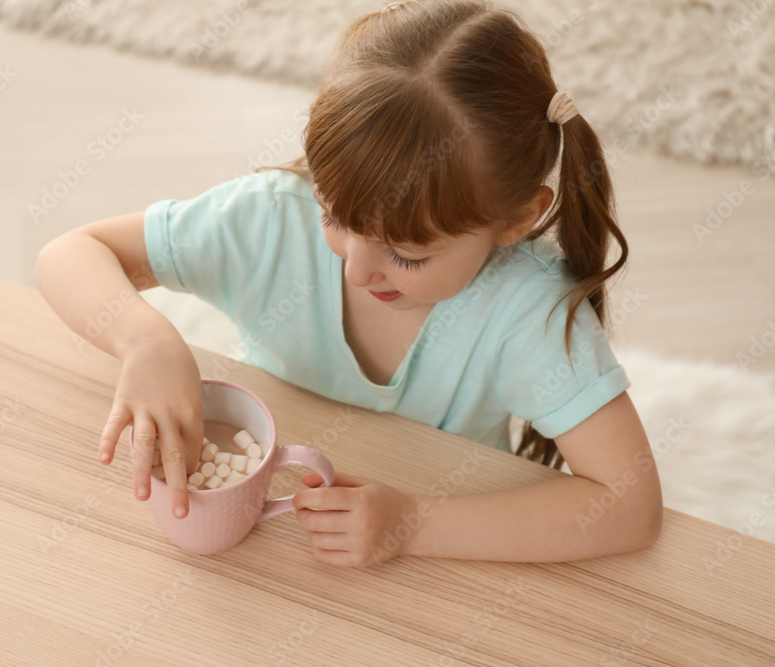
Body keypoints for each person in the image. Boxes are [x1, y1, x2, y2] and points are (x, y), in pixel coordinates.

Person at [35, 0, 662, 567]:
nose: (355, 271)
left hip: (441, 553)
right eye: (333, 216)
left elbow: (629, 507)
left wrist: (414, 524)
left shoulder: (529, 312)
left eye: (406, 255)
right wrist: (144, 341)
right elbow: (71, 252)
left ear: (517, 219)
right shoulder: (269, 219)